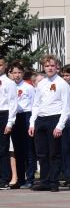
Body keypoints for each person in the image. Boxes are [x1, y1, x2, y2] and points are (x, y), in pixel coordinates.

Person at [29, 55, 70, 192]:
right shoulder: (41, 83)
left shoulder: (62, 83)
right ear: (43, 67)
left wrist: (60, 125)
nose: (50, 68)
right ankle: (44, 180)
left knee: (54, 153)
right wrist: (32, 123)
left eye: (52, 65)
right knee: (42, 153)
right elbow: (36, 104)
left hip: (54, 118)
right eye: (47, 66)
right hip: (41, 119)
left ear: (57, 67)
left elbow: (66, 106)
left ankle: (54, 181)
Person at [8, 61, 36, 189]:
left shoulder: (28, 87)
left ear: (23, 73)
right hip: (14, 117)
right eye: (14, 73)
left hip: (26, 115)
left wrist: (32, 122)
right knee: (17, 149)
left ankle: (30, 178)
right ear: (11, 74)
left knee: (28, 148)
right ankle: (20, 178)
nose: (17, 75)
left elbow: (34, 104)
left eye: (19, 72)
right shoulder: (9, 86)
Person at [0, 58, 16, 190]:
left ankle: (4, 179)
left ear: (5, 66)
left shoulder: (9, 83)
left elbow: (13, 103)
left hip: (3, 115)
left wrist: (10, 122)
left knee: (3, 148)